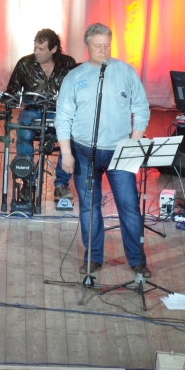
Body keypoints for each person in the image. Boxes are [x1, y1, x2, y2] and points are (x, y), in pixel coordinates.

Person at [56, 23, 151, 275]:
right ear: (87, 46)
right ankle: (93, 257)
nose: (103, 50)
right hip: (83, 151)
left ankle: (137, 261)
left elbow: (141, 108)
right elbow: (63, 117)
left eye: (107, 45)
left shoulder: (125, 72)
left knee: (129, 207)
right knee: (89, 207)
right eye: (97, 46)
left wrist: (134, 141)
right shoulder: (75, 77)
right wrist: (66, 153)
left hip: (120, 150)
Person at [5, 28, 78, 199]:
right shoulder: (25, 63)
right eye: (35, 48)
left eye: (41, 49)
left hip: (61, 111)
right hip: (33, 110)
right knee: (23, 128)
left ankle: (61, 184)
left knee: (73, 133)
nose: (36, 52)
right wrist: (9, 99)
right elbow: (12, 91)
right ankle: (27, 182)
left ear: (54, 49)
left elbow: (78, 90)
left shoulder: (68, 63)